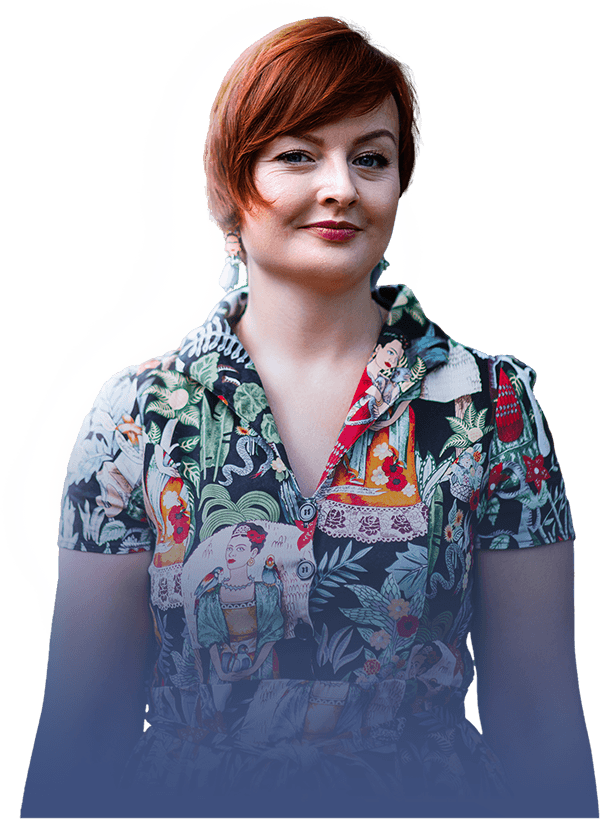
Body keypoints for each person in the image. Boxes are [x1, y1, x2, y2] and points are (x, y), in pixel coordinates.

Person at [20, 15, 597, 819]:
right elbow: (86, 727)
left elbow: (537, 712)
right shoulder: (138, 417)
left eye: (371, 158)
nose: (341, 187)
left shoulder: (491, 404)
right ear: (232, 185)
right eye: (298, 154)